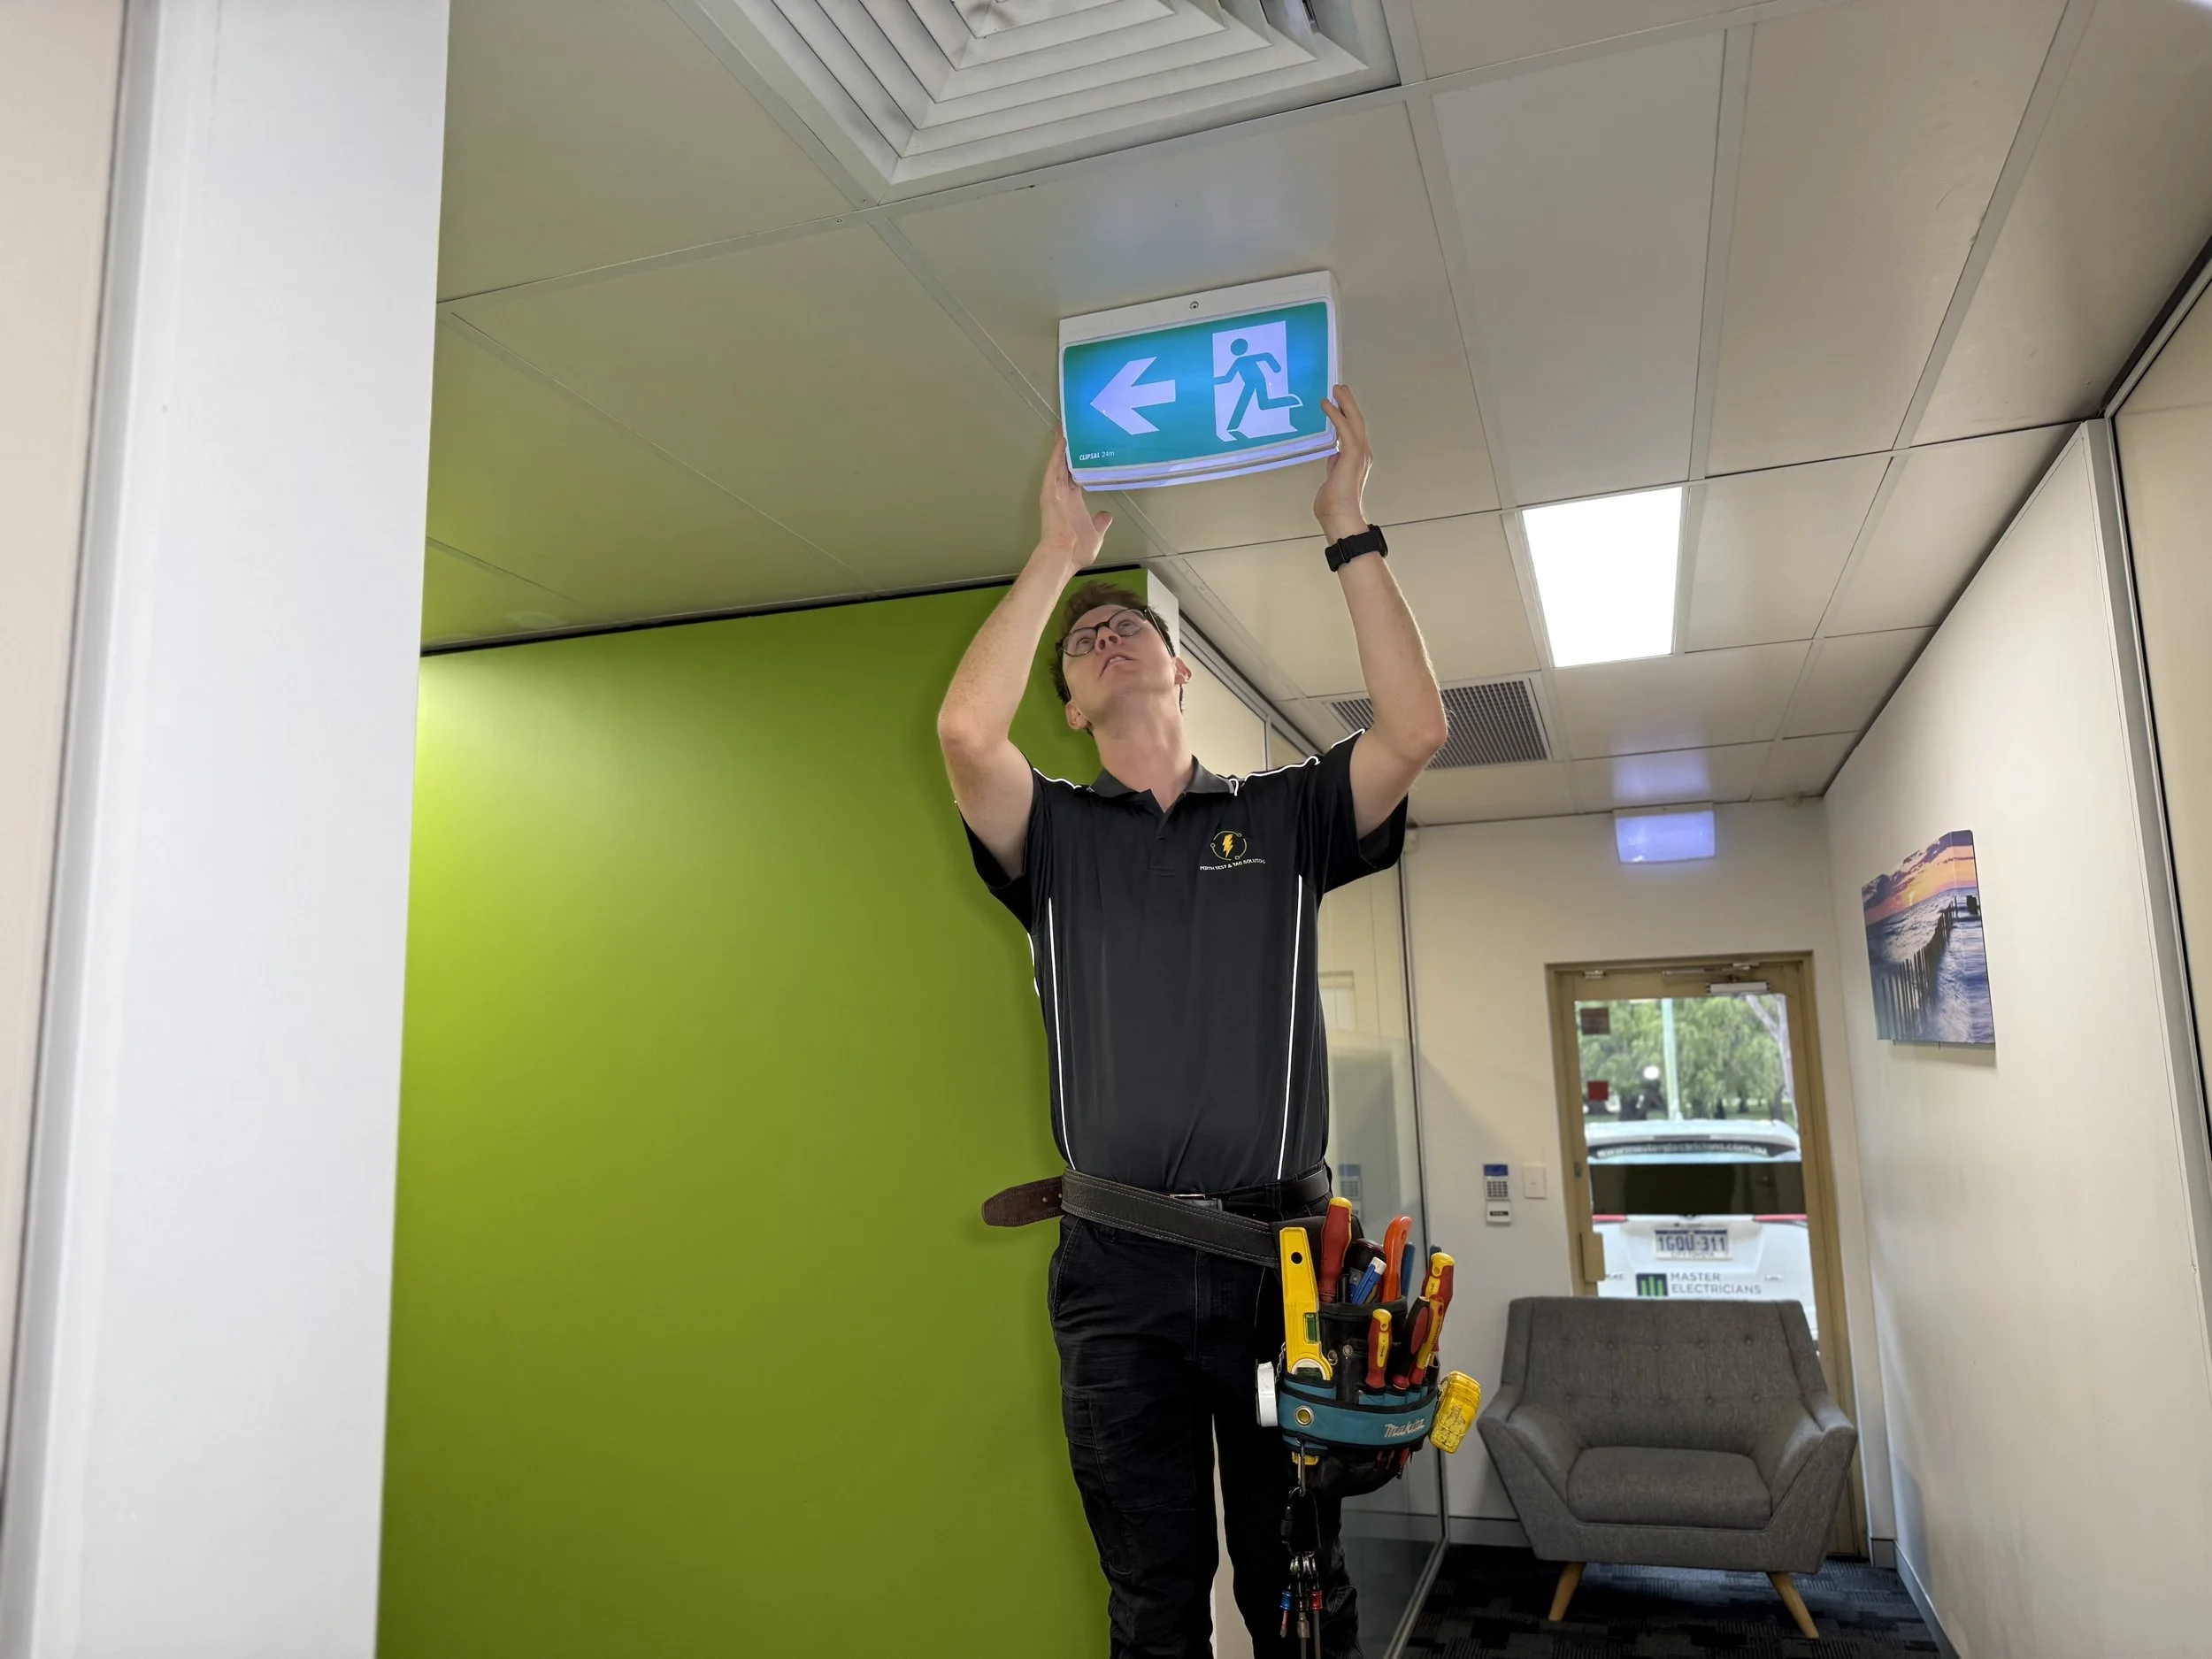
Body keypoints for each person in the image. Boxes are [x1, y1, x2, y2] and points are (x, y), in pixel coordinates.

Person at [938, 386, 1447, 1659]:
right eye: (1081, 640)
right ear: (1068, 703)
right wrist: (1060, 550)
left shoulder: (1281, 819)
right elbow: (960, 728)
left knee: (1300, 1595)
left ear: (1176, 668)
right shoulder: (1049, 837)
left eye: (1127, 625)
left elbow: (1417, 728)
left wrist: (1348, 523)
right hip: (1118, 1274)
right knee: (1154, 1602)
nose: (1105, 635)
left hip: (1286, 1267)